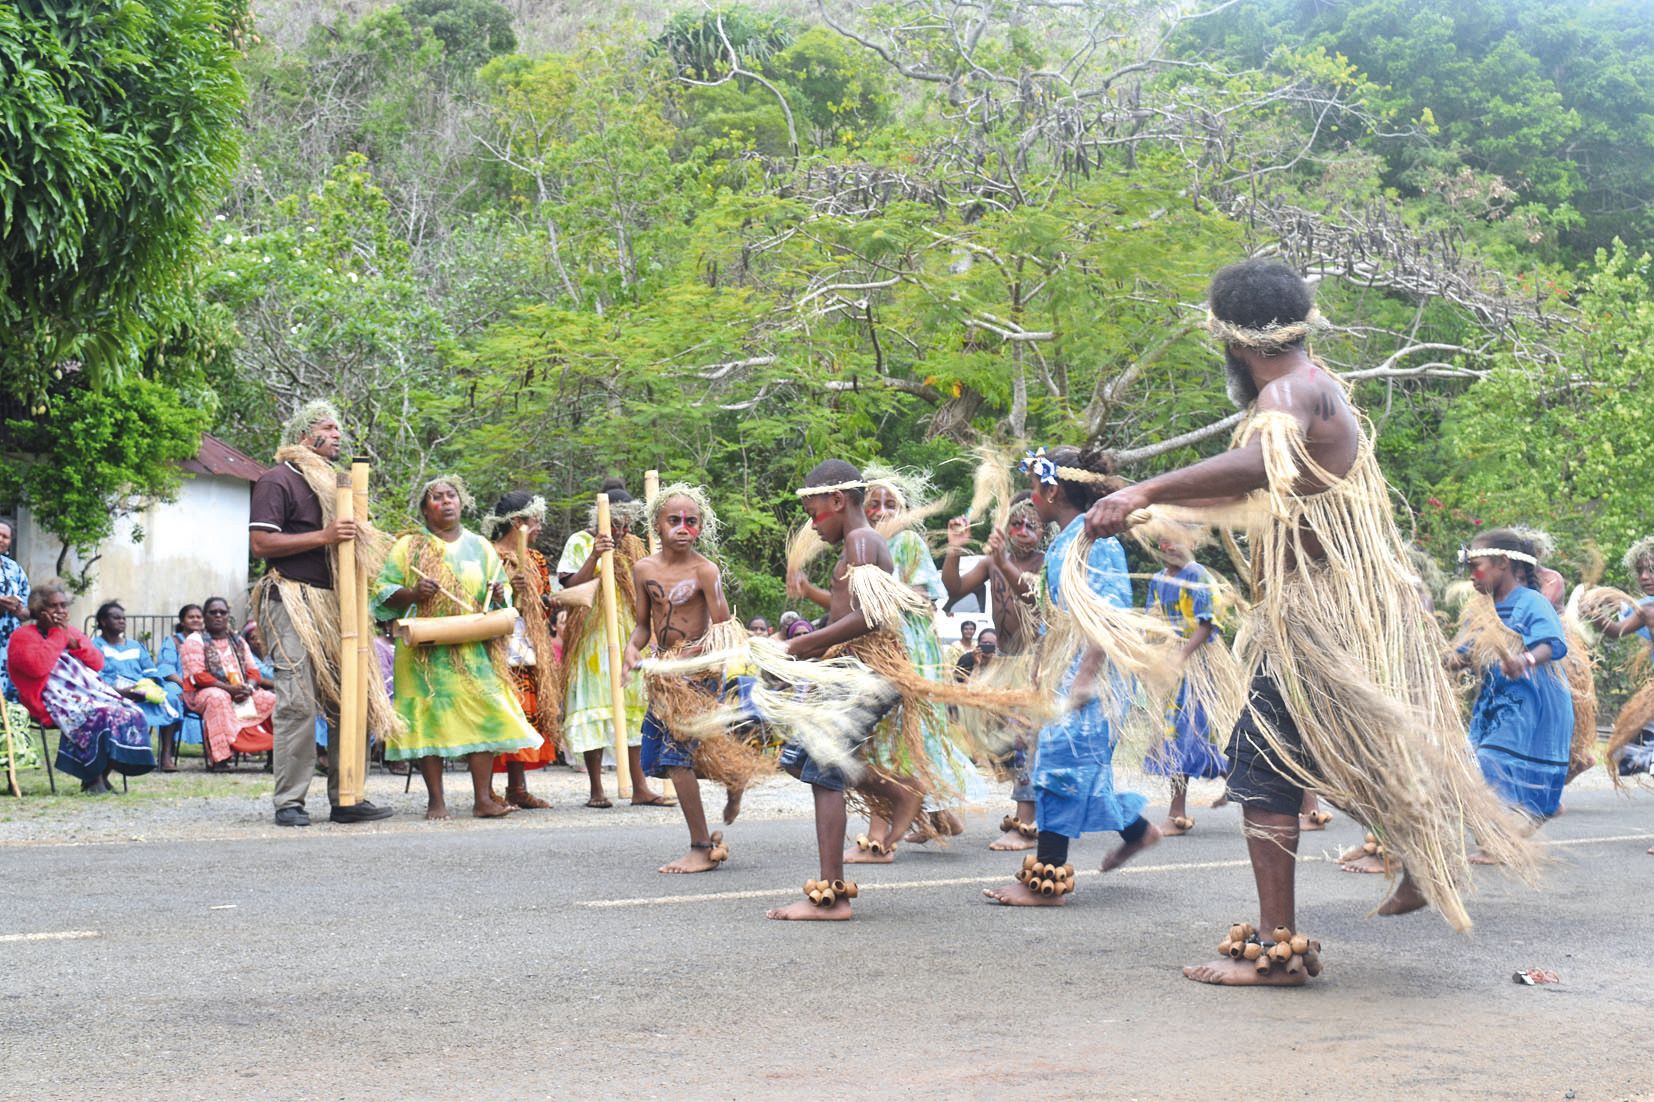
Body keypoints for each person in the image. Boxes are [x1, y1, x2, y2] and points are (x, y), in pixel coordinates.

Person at [1085, 259, 1535, 985]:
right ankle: (1423, 853)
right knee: (1348, 745)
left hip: (1323, 615)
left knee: (1264, 770)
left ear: (1229, 339)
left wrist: (1145, 486)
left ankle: (1277, 952)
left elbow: (1263, 461)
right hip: (1337, 611)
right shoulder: (1316, 383)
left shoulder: (1291, 394)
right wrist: (1161, 505)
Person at [983, 447, 1159, 907]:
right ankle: (1137, 830)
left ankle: (1046, 883)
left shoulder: (1097, 541)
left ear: (1052, 489)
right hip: (1068, 668)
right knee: (1073, 767)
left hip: (1094, 675)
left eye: (1035, 483)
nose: (1031, 494)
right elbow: (1047, 604)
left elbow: (1108, 615)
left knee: (1058, 765)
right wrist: (1003, 564)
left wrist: (1085, 678)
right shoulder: (1066, 541)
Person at [765, 460, 929, 920]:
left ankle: (832, 898)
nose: (811, 524)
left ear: (838, 501)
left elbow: (870, 618)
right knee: (801, 760)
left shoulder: (861, 541)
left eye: (813, 512)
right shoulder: (860, 543)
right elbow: (844, 617)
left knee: (822, 769)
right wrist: (798, 641)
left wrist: (804, 644)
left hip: (866, 673)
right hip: (851, 670)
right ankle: (898, 792)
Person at [248, 399, 394, 827]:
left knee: (351, 696)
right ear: (302, 435)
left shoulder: (335, 486)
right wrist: (327, 536)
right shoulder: (278, 480)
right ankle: (289, 801)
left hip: (336, 604)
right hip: (291, 599)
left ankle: (347, 795)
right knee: (296, 700)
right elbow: (261, 545)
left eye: (337, 429)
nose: (337, 435)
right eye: (327, 428)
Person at [374, 476, 542, 820]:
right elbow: (381, 591)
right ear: (425, 508)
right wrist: (412, 593)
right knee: (429, 717)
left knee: (483, 713)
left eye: (451, 496)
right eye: (436, 497)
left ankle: (483, 799)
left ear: (461, 502)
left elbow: (503, 594)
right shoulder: (408, 547)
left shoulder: (480, 546)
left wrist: (499, 596)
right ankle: (436, 801)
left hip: (471, 648)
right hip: (424, 651)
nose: (446, 502)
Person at [623, 484, 746, 873]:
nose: (682, 528)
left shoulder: (705, 571)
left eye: (690, 522)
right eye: (673, 521)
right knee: (664, 758)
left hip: (699, 674)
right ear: (656, 526)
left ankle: (700, 847)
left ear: (700, 528)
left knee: (678, 759)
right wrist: (631, 649)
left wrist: (697, 653)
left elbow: (724, 627)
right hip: (664, 675)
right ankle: (735, 775)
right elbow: (643, 626)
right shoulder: (644, 569)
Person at [944, 490, 1048, 851]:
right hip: (1005, 662)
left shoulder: (1046, 565)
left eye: (1029, 526)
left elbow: (1032, 601)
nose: (1021, 531)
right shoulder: (991, 564)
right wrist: (955, 547)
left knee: (1028, 741)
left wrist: (1003, 561)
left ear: (1043, 534)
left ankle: (1026, 824)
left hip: (1037, 663)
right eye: (1015, 524)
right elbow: (954, 589)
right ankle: (1037, 814)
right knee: (1013, 745)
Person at [1458, 530, 1574, 849]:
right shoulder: (1481, 609)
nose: (1472, 576)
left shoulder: (1531, 602)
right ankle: (1504, 835)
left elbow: (1551, 643)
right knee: (1472, 766)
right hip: (1495, 704)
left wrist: (1524, 660)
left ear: (1503, 564)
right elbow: (1465, 653)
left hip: (1534, 705)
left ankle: (1501, 840)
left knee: (1490, 763)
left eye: (1477, 566)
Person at [556, 485, 666, 808]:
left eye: (627, 523)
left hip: (629, 636)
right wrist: (596, 554)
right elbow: (571, 587)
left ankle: (640, 786)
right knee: (595, 707)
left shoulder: (633, 544)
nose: (623, 529)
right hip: (592, 640)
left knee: (634, 712)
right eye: (617, 522)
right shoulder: (580, 541)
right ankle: (596, 789)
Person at [5, 578, 154, 792]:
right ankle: (92, 778)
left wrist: (75, 643)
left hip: (88, 693)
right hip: (48, 699)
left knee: (130, 711)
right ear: (39, 610)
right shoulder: (22, 636)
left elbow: (97, 662)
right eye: (53, 606)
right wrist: (59, 634)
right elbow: (37, 667)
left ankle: (102, 774)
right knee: (99, 714)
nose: (61, 610)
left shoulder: (70, 630)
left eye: (63, 605)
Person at [1140, 535, 1228, 836]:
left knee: (1187, 732)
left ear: (1191, 540)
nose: (1170, 545)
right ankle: (1234, 781)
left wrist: (1181, 655)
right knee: (1180, 733)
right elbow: (1152, 618)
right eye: (1164, 539)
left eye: (1176, 538)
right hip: (1170, 666)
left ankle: (1177, 813)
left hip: (1197, 666)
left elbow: (1208, 623)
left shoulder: (1198, 575)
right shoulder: (1157, 578)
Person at [485, 491, 561, 809]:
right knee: (497, 712)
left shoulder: (537, 560)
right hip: (494, 644)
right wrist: (504, 587)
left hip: (528, 645)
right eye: (534, 520)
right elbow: (476, 597)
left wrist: (533, 595)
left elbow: (543, 608)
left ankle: (517, 787)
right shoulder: (485, 555)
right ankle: (485, 791)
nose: (539, 526)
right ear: (518, 523)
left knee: (526, 711)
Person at [180, 597, 277, 768]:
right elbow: (198, 675)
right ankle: (221, 759)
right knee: (218, 697)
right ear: (205, 616)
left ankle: (274, 756)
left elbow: (253, 671)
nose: (218, 616)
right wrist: (230, 689)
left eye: (222, 612)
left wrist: (249, 688)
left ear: (228, 616)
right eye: (213, 612)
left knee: (271, 699)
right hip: (203, 692)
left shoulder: (238, 641)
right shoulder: (194, 641)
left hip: (240, 690)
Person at [91, 601, 180, 767]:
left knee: (172, 699)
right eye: (116, 618)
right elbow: (97, 678)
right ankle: (120, 757)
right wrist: (124, 692)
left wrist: (148, 685)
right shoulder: (95, 646)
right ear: (103, 621)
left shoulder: (135, 646)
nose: (122, 621)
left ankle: (166, 755)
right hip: (113, 693)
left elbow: (150, 670)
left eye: (123, 618)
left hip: (141, 691)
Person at [155, 604, 205, 764]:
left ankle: (219, 755)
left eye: (199, 617)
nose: (196, 619)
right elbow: (166, 668)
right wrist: (184, 685)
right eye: (191, 617)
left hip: (204, 685)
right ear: (183, 621)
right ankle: (166, 753)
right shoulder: (173, 641)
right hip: (178, 683)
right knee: (171, 696)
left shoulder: (207, 640)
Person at [0, 518, 29, 705]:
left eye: (5, 537)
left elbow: (27, 611)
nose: (1, 539)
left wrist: (17, 608)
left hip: (11, 643)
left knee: (12, 699)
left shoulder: (14, 569)